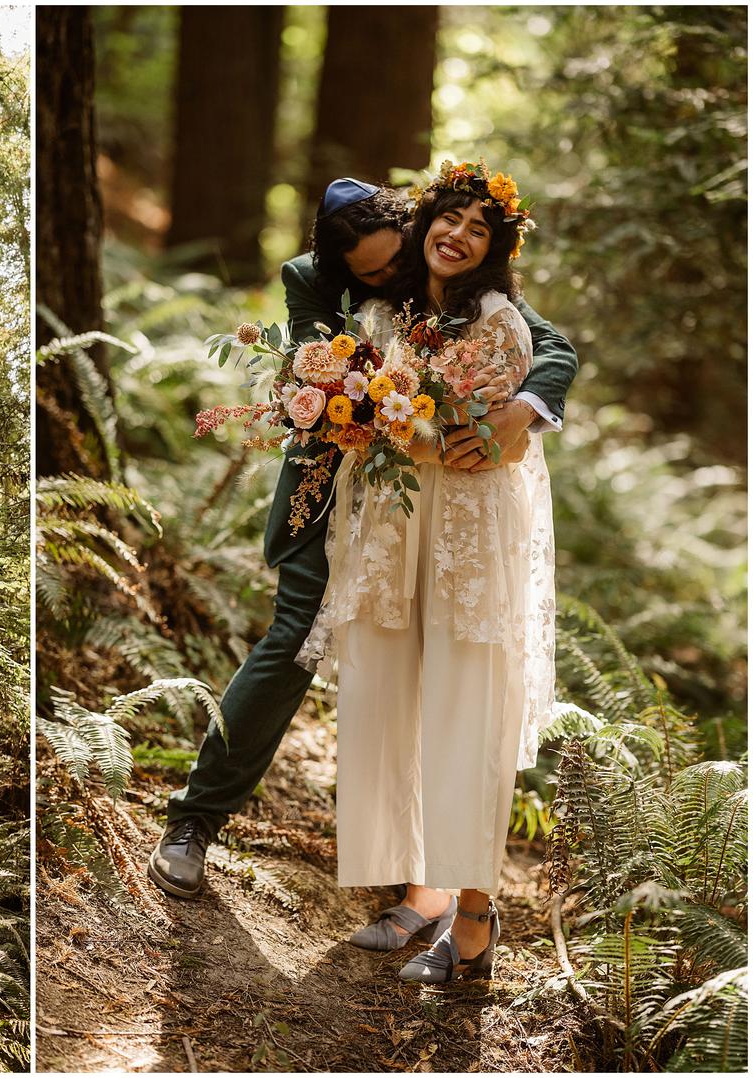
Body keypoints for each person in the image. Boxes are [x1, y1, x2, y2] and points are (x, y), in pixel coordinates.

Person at [148, 176, 578, 900]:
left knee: (429, 661)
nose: (390, 275)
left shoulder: (441, 246)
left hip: (430, 507)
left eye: (396, 259)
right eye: (370, 274)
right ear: (342, 269)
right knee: (294, 638)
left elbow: (552, 342)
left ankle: (420, 878)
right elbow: (324, 383)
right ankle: (194, 820)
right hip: (332, 494)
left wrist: (524, 409)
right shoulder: (310, 280)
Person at [297, 161, 556, 981]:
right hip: (393, 523)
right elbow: (362, 412)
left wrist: (418, 432)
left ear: (494, 249)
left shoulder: (501, 323)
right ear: (424, 223)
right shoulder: (380, 316)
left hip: (467, 535)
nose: (459, 235)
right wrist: (370, 422)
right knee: (392, 698)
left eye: (480, 228)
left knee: (466, 705)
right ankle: (421, 891)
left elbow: (492, 443)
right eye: (450, 217)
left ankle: (473, 917)